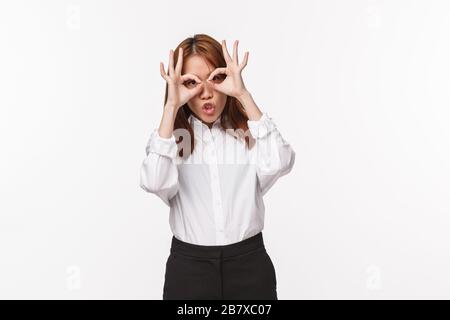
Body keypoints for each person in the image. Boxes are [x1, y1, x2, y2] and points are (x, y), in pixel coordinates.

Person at [140, 34, 296, 300]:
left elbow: (281, 160)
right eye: (191, 83)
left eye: (215, 78)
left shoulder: (249, 134)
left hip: (249, 266)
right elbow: (154, 181)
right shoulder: (170, 142)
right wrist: (171, 105)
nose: (206, 92)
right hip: (189, 270)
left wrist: (243, 95)